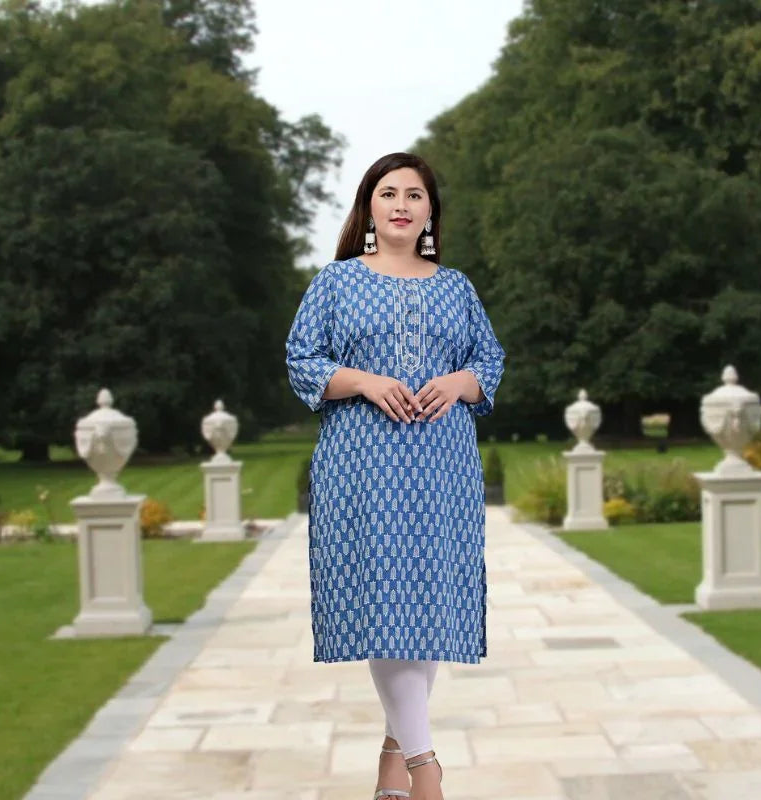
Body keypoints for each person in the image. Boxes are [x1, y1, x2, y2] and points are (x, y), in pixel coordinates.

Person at [285, 152, 505, 800]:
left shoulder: (456, 287)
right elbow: (302, 360)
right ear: (369, 208)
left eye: (415, 194)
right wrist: (366, 381)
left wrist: (461, 381)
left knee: (428, 602)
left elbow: (488, 360)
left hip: (442, 462)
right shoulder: (334, 283)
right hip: (363, 463)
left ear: (431, 210)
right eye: (389, 193)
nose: (403, 204)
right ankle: (425, 769)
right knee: (386, 603)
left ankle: (392, 757)